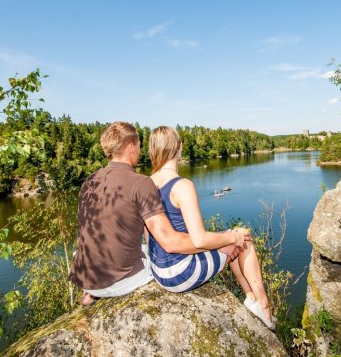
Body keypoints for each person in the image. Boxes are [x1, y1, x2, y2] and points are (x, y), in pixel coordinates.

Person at [68, 122, 245, 306]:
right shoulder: (140, 183)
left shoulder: (90, 182)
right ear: (130, 147)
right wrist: (217, 243)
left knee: (143, 248)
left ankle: (92, 294)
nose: (140, 150)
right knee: (160, 264)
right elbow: (170, 242)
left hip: (86, 278)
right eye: (138, 145)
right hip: (118, 282)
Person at [147, 125, 276, 330]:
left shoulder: (146, 184)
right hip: (181, 273)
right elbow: (199, 240)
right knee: (243, 239)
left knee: (229, 239)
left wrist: (226, 239)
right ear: (180, 147)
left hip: (159, 271)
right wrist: (232, 238)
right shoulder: (182, 186)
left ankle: (251, 299)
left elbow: (149, 236)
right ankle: (263, 305)